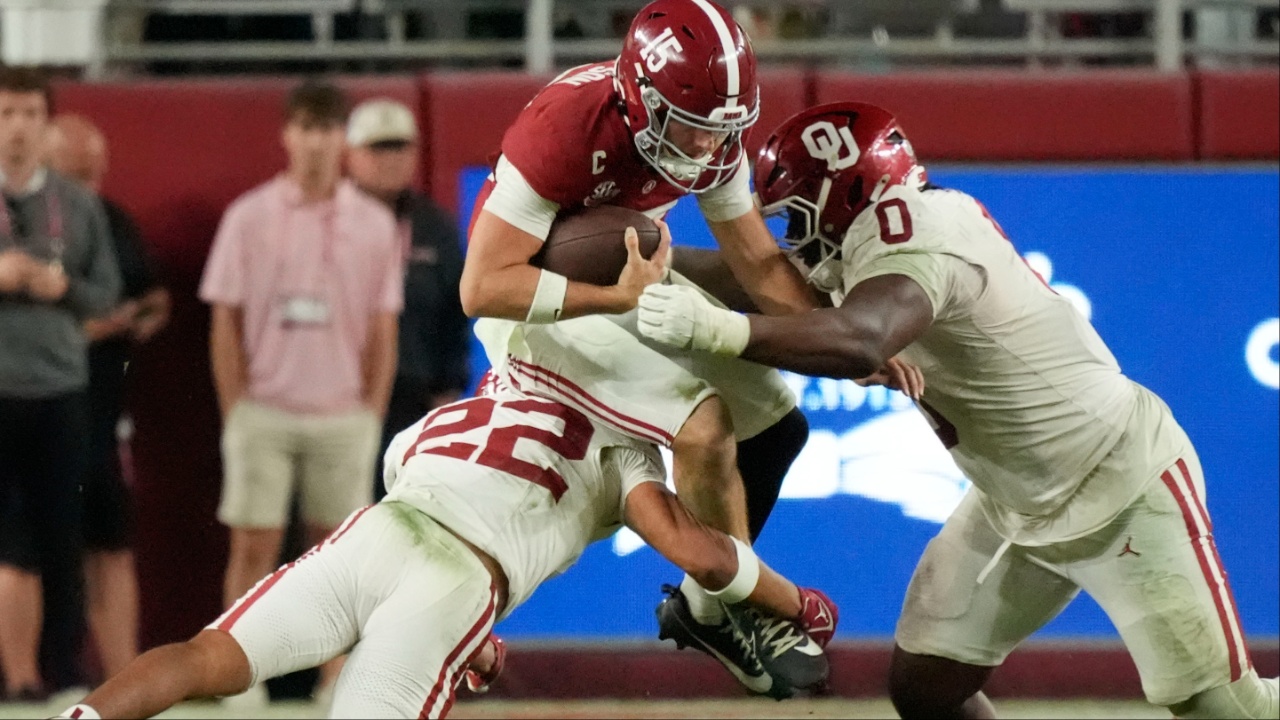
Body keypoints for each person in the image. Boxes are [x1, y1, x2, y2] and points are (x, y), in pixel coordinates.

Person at [635, 101, 1279, 719]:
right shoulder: (878, 233)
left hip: (1120, 482)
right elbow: (765, 280)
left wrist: (715, 330)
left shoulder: (917, 230)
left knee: (1226, 711)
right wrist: (645, 259)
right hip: (1011, 502)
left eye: (800, 215)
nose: (794, 237)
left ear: (846, 193)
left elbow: (860, 339)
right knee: (925, 690)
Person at [458, 0, 908, 692]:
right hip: (534, 307)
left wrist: (841, 337)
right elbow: (482, 286)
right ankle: (747, 607)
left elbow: (757, 262)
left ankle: (708, 606)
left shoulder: (712, 132)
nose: (703, 145)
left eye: (720, 128)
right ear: (638, 96)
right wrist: (613, 297)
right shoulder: (567, 125)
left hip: (627, 281)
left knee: (776, 423)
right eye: (690, 125)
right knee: (704, 427)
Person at [52, 378, 840, 720]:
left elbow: (440, 492)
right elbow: (696, 552)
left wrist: (476, 642)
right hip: (458, 582)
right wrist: (798, 602)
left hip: (378, 531)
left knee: (208, 657)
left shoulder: (470, 407)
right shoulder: (622, 443)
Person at [198, 80, 402, 700]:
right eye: (306, 128)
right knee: (252, 545)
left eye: (328, 129)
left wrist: (370, 413)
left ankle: (336, 678)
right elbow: (225, 321)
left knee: (335, 556)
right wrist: (236, 410)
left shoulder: (375, 224)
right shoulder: (248, 217)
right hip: (263, 410)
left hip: (343, 413)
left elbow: (382, 328)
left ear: (344, 140)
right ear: (287, 136)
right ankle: (240, 679)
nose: (316, 142)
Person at [0, 67, 122, 700]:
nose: (17, 128)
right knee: (10, 540)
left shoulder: (76, 204)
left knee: (62, 533)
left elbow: (107, 294)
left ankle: (64, 669)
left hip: (61, 388)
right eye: (5, 114)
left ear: (47, 126)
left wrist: (64, 287)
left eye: (29, 114)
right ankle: (17, 676)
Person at [46, 113, 171, 683]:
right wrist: (92, 327)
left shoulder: (111, 219)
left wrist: (137, 317)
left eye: (95, 175)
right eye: (77, 176)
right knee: (35, 547)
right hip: (37, 405)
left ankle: (122, 673)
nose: (89, 188)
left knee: (111, 541)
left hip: (101, 412)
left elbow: (153, 295)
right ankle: (39, 674)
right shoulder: (21, 224)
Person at [344, 98, 470, 499]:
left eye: (400, 147)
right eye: (378, 148)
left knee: (406, 503)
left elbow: (455, 310)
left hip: (413, 393)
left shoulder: (433, 226)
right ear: (350, 154)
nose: (390, 159)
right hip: (340, 393)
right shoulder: (327, 219)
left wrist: (448, 386)